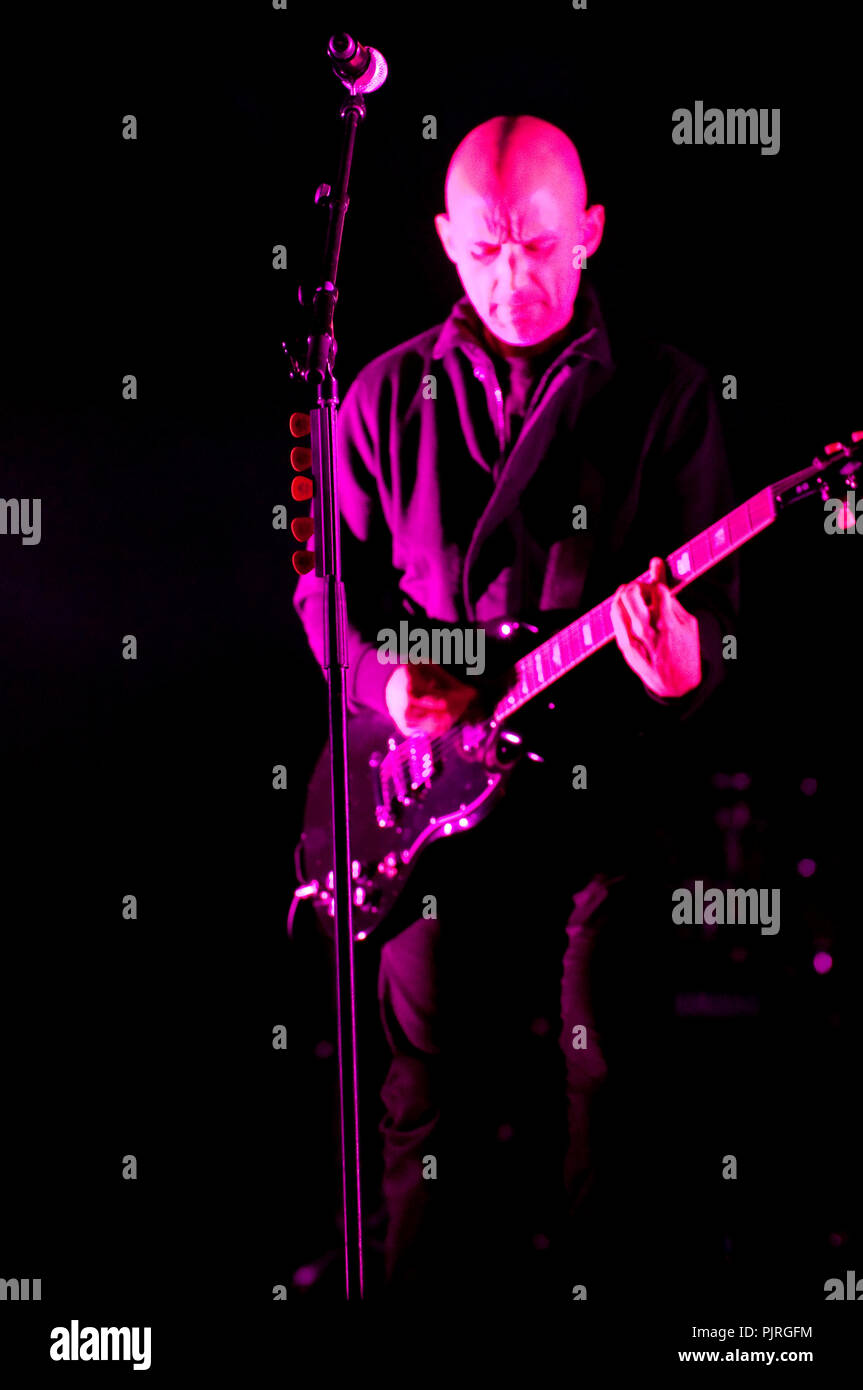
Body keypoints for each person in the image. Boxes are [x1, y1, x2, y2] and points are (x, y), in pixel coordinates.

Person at [293, 114, 739, 1300]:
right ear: (443, 242)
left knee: (613, 1076)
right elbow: (325, 585)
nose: (512, 280)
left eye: (537, 247)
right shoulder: (382, 397)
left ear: (588, 232)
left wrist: (688, 668)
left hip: (600, 782)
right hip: (432, 792)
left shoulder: (668, 394)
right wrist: (396, 678)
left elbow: (726, 623)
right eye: (484, 252)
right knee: (427, 1095)